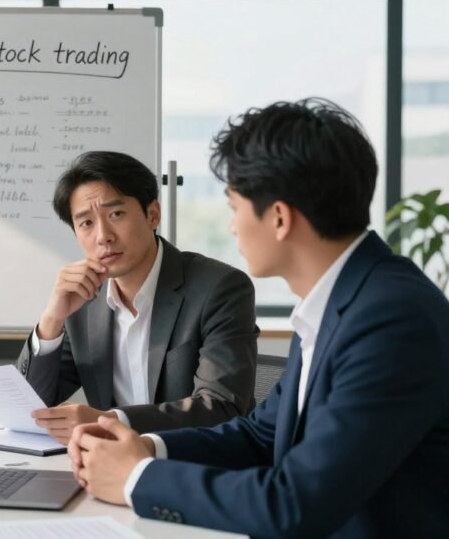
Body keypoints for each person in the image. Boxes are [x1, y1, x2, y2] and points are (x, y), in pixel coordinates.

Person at [68, 99, 449, 538]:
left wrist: (136, 478)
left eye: (234, 207)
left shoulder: (391, 321)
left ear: (280, 218)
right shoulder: (339, 302)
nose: (232, 227)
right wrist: (146, 447)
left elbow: (296, 504)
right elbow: (260, 436)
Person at [16, 151, 258, 442]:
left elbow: (220, 408)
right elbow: (31, 407)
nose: (103, 236)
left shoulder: (219, 288)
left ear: (152, 215)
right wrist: (52, 319)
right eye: (86, 223)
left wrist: (111, 421)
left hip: (194, 459)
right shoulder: (82, 301)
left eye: (116, 214)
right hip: (109, 462)